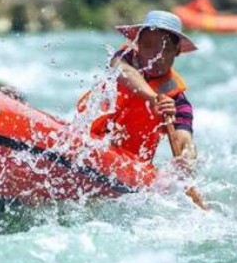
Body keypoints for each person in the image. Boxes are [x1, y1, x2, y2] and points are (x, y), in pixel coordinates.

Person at [78, 10, 198, 170]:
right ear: (137, 45)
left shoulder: (177, 101)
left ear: (176, 51)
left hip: (129, 166)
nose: (158, 56)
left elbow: (185, 139)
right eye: (148, 46)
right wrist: (154, 98)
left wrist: (187, 158)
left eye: (166, 48)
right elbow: (122, 71)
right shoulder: (123, 58)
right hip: (87, 142)